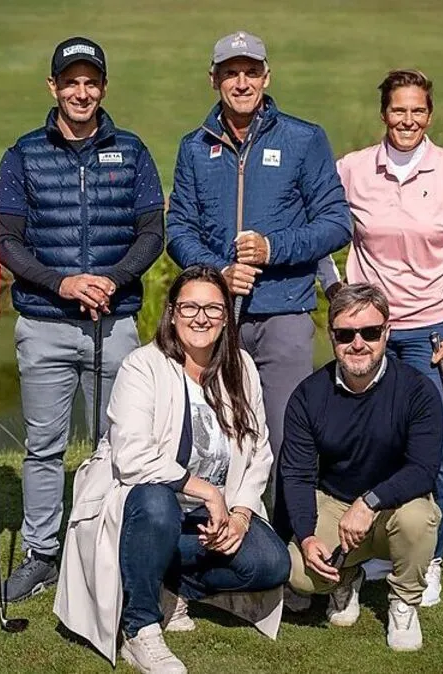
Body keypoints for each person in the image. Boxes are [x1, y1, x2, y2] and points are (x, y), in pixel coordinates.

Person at [0, 37, 166, 602]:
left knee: (122, 442)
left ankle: (115, 546)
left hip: (114, 326)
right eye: (71, 81)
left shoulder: (133, 151)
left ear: (104, 88)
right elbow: (8, 242)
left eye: (92, 82)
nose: (82, 92)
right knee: (43, 447)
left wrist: (111, 280)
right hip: (43, 323)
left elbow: (151, 233)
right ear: (54, 87)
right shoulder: (23, 154)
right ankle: (43, 554)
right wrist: (62, 282)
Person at [54, 266, 290, 673]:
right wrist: (210, 492)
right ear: (172, 312)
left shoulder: (242, 367)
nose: (201, 318)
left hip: (204, 519)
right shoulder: (142, 366)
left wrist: (240, 514)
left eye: (213, 308)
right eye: (190, 307)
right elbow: (132, 458)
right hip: (142, 508)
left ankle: (168, 585)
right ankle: (140, 628)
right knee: (158, 502)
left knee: (270, 563)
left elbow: (260, 451)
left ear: (226, 316)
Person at [334, 69, 443, 607]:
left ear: (430, 114)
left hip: (433, 330)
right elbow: (323, 233)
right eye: (399, 110)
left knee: (432, 449)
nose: (408, 120)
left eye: (418, 110)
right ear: (384, 113)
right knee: (366, 443)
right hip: (369, 329)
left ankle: (430, 557)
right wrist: (338, 296)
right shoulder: (352, 169)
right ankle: (375, 549)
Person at [166, 30, 352, 467]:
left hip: (284, 312)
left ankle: (287, 530)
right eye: (231, 73)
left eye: (251, 72)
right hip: (211, 315)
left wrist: (272, 248)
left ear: (267, 77)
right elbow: (178, 229)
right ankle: (220, 527)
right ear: (214, 79)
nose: (242, 83)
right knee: (215, 435)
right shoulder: (194, 147)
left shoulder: (303, 139)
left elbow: (336, 223)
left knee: (286, 433)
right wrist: (217, 273)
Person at [280, 283, 443, 652]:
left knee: (420, 518)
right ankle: (346, 577)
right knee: (299, 574)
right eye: (346, 334)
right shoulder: (308, 395)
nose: (358, 343)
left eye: (370, 332)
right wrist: (306, 536)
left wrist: (370, 502)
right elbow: (298, 474)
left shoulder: (418, 390)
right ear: (331, 334)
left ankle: (403, 601)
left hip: (395, 507)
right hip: (335, 503)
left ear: (387, 332)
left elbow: (423, 469)